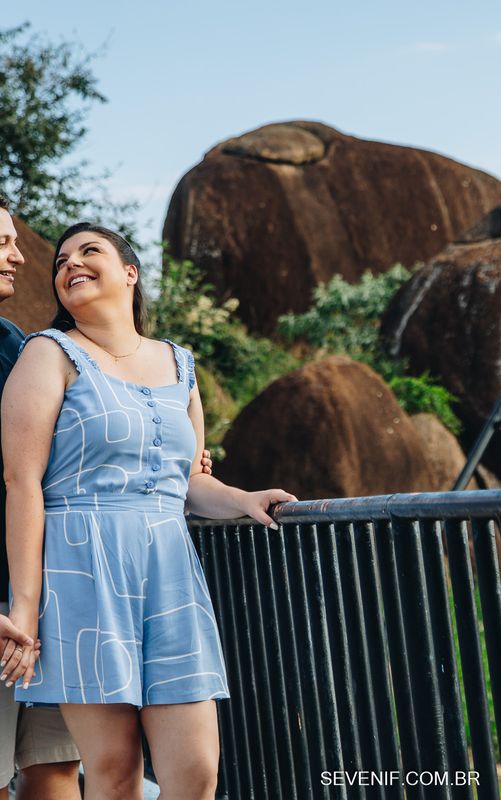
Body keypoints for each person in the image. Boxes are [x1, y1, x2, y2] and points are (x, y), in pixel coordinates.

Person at [2, 220, 293, 800]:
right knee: (112, 772)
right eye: (61, 259)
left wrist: (244, 500)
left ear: (130, 273)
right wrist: (27, 609)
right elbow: (22, 482)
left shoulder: (180, 365)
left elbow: (186, 483)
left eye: (89, 251)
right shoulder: (46, 352)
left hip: (170, 575)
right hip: (82, 576)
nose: (69, 264)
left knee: (197, 770)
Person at [0, 196, 81, 800]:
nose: (18, 254)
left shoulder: (16, 346)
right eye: (3, 242)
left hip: (39, 602)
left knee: (53, 768)